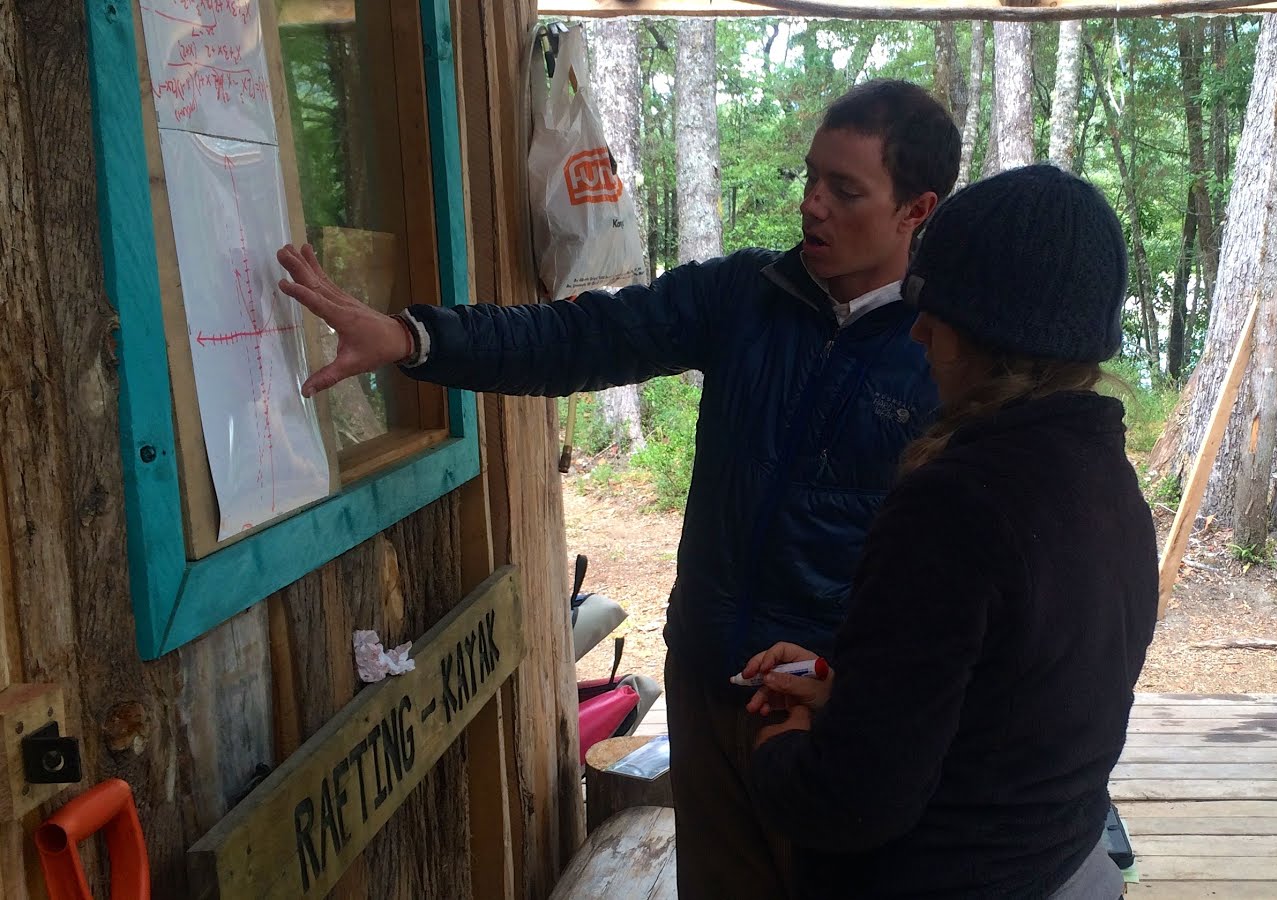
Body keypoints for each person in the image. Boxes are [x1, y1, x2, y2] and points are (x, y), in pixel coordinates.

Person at [275, 79, 961, 898]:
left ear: (916, 210)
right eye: (811, 177)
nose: (812, 204)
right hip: (707, 681)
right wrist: (412, 338)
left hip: (825, 708)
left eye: (845, 190)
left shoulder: (944, 350)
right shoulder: (748, 295)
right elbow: (582, 336)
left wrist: (852, 683)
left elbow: (951, 572)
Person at [739, 164, 1159, 899]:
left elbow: (854, 801)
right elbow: (1011, 709)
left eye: (938, 310)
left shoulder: (955, 505)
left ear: (995, 335)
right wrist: (850, 694)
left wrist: (781, 752)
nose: (920, 329)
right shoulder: (1104, 478)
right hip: (1066, 866)